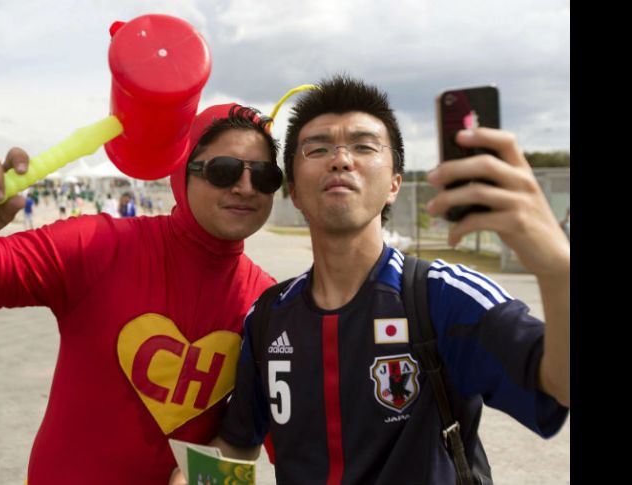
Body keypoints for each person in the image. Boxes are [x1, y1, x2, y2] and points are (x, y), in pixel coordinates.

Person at [170, 75, 569, 484]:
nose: (341, 159)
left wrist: (559, 270)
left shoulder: (443, 296)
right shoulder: (270, 316)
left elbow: (559, 385)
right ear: (293, 189)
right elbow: (239, 441)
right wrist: (189, 478)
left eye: (364, 146)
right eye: (318, 148)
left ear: (395, 183)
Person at [0, 104, 285, 484]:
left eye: (264, 176)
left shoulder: (269, 305)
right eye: (223, 170)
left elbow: (260, 434)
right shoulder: (99, 246)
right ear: (182, 173)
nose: (245, 187)